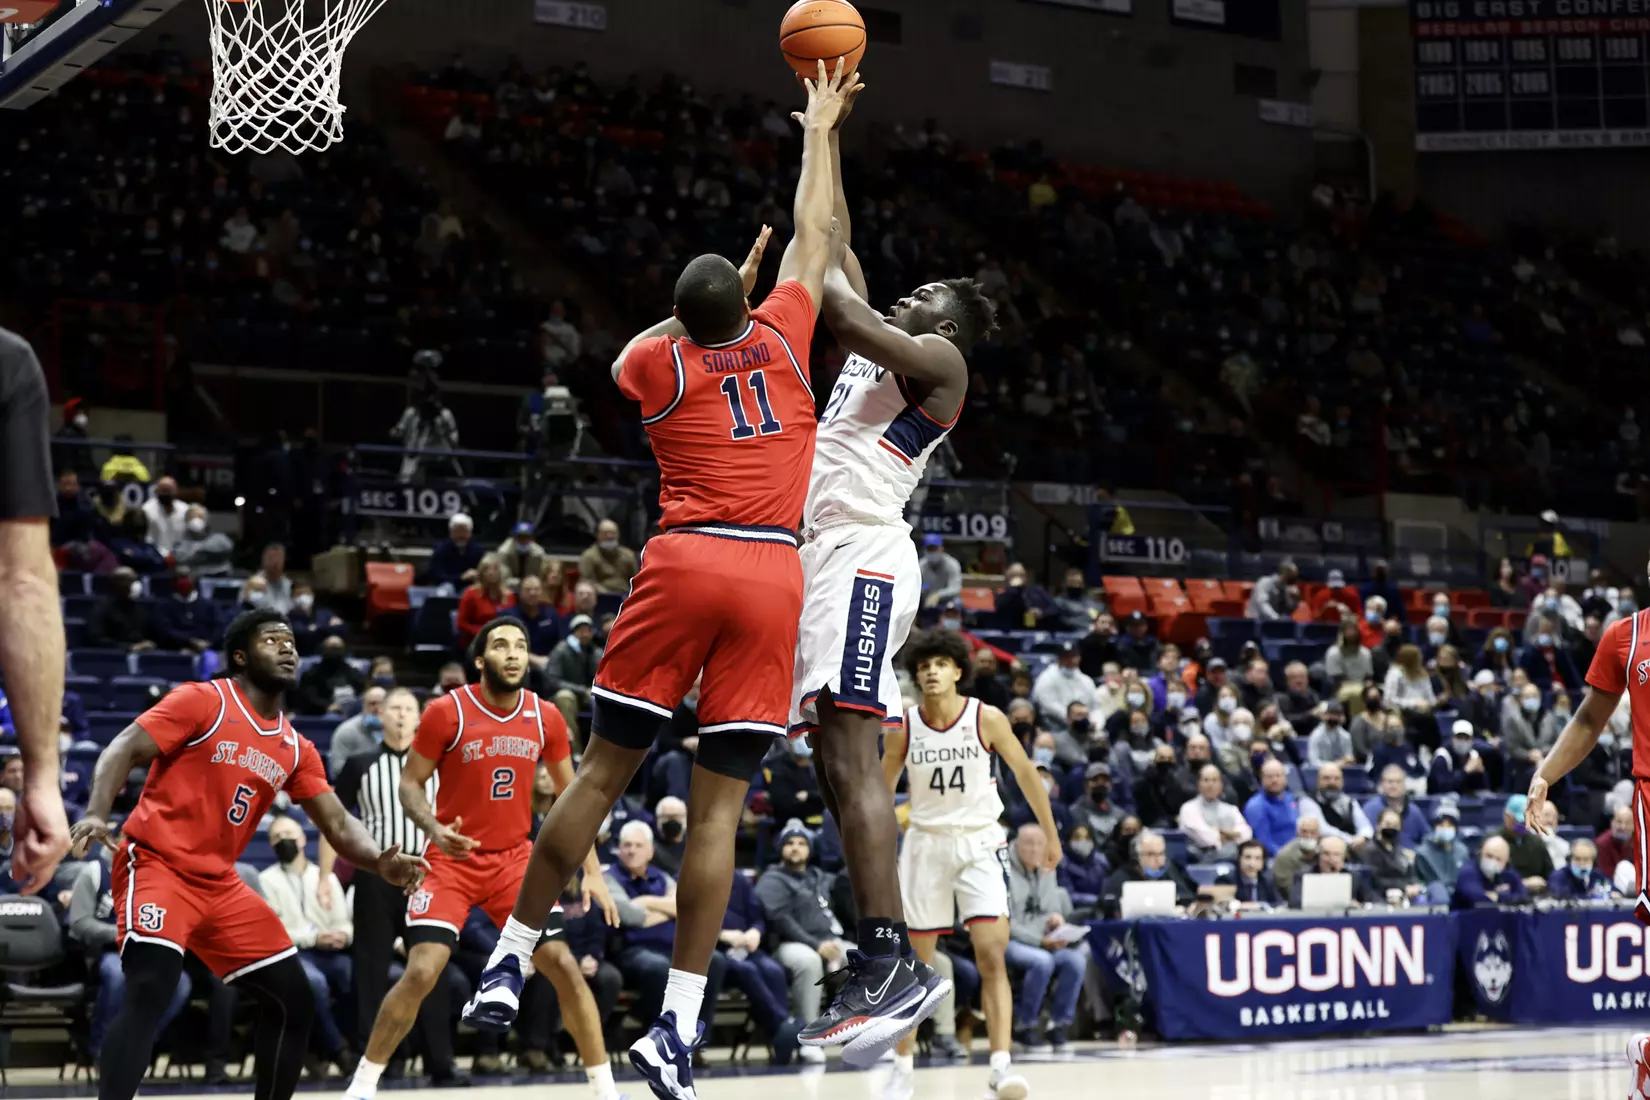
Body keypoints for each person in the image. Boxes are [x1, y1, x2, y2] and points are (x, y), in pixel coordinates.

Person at [462, 64, 860, 1100]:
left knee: (599, 774)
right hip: (773, 569)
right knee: (719, 812)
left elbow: (639, 346)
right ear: (748, 300)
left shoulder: (660, 365)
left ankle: (508, 957)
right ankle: (679, 1031)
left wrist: (700, 303)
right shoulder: (782, 332)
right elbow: (814, 228)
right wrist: (819, 127)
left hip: (685, 560)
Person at [780, 68, 1006, 1063]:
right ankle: (877, 952)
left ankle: (891, 958)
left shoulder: (943, 368)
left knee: (856, 743)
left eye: (928, 297)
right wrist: (822, 132)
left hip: (868, 554)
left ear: (949, 329)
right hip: (825, 556)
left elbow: (830, 292)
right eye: (910, 291)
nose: (911, 296)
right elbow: (836, 235)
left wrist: (810, 254)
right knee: (834, 756)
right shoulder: (895, 342)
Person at [65, 609, 427, 1100]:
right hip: (158, 865)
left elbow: (339, 823)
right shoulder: (203, 701)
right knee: (153, 987)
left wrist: (379, 860)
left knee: (296, 999)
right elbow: (123, 747)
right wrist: (94, 811)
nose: (288, 648)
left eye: (293, 642)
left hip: (220, 884)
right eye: (272, 639)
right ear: (239, 656)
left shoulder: (296, 748)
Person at [345, 618, 619, 1100]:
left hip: (515, 862)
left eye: (521, 645)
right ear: (479, 660)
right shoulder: (445, 712)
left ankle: (605, 1088)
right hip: (450, 860)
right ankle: (363, 1084)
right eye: (500, 645)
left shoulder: (545, 716)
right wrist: (432, 828)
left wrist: (593, 872)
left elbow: (573, 800)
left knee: (563, 965)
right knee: (423, 970)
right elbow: (410, 784)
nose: (513, 654)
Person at [881, 630, 1053, 1100]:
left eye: (940, 664)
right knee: (916, 962)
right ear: (916, 677)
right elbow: (878, 795)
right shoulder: (903, 726)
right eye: (923, 666)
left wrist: (1051, 835)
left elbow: (1025, 775)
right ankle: (901, 1067)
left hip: (980, 843)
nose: (931, 672)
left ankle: (1000, 1065)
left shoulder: (987, 717)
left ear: (958, 670)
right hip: (925, 844)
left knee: (991, 954)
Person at [323, 688, 442, 1053]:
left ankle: (441, 1059)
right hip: (376, 874)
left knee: (431, 966)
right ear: (381, 715)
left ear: (420, 716)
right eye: (395, 708)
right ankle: (368, 1055)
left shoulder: (440, 765)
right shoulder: (360, 764)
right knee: (370, 969)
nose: (402, 715)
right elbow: (333, 822)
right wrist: (324, 875)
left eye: (409, 708)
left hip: (427, 875)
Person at [68, 816, 195, 1062]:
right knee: (118, 977)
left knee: (181, 983)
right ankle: (100, 1049)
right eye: (130, 838)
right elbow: (80, 922)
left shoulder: (159, 876)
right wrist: (124, 934)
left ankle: (138, 1044)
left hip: (149, 954)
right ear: (114, 841)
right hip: (108, 953)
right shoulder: (94, 873)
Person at [602, 822, 736, 1051]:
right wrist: (665, 907)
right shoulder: (609, 878)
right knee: (659, 967)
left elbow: (685, 908)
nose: (631, 850)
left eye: (638, 845)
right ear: (619, 849)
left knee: (715, 960)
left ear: (650, 851)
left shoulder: (662, 877)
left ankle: (695, 1039)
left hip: (671, 947)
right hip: (631, 950)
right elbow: (629, 915)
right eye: (626, 845)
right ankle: (663, 1040)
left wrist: (647, 903)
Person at [259, 815, 354, 1073]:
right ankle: (338, 1050)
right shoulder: (266, 881)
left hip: (330, 952)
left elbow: (344, 922)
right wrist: (312, 937)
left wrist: (343, 936)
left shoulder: (325, 878)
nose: (283, 840)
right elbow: (273, 933)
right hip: (293, 954)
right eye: (276, 837)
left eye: (288, 834)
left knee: (354, 977)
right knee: (314, 984)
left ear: (303, 839)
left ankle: (325, 1047)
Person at [755, 822, 856, 1025]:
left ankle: (857, 1031)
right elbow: (781, 921)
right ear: (780, 848)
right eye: (789, 843)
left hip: (830, 940)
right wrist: (816, 944)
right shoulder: (771, 880)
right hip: (789, 944)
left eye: (802, 843)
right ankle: (809, 1031)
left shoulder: (820, 877)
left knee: (866, 960)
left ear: (810, 849)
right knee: (809, 962)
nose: (795, 847)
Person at [717, 857, 811, 1064]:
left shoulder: (738, 879)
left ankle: (781, 1036)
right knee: (747, 970)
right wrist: (721, 935)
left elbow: (757, 917)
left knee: (773, 970)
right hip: (716, 952)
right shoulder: (688, 877)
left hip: (746, 947)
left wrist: (755, 932)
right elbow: (686, 920)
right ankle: (783, 1025)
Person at [1004, 824, 1086, 1054]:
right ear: (1016, 845)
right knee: (1042, 962)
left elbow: (1049, 909)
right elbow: (1007, 923)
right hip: (1012, 940)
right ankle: (1025, 1025)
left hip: (1044, 940)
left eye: (1040, 844)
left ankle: (1058, 1024)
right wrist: (1040, 942)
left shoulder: (1048, 869)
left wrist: (1056, 922)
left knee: (1076, 961)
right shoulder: (1003, 872)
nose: (1034, 850)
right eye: (1029, 844)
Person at [1177, 764, 1251, 863]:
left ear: (1221, 785)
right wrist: (1231, 835)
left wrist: (1223, 834)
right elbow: (1206, 839)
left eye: (1214, 780)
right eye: (1206, 780)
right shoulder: (1188, 809)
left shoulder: (1231, 809)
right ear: (1199, 784)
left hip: (1232, 858)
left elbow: (1246, 833)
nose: (1210, 785)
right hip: (1201, 859)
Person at [545, 614, 601, 736]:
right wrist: (581, 690)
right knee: (565, 697)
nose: (585, 634)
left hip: (589, 695)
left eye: (588, 631)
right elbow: (552, 681)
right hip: (567, 694)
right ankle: (574, 752)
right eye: (581, 631)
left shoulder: (595, 652)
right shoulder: (560, 650)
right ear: (573, 632)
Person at [1298, 762, 1372, 849]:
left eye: (1337, 779)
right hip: (1321, 851)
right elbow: (1323, 829)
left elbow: (1365, 826)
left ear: (1342, 782)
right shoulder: (1307, 801)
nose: (1332, 782)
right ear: (1318, 781)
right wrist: (1350, 840)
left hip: (1351, 849)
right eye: (1326, 778)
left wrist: (1363, 837)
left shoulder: (1349, 801)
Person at [1289, 835, 1375, 907]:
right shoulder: (1304, 876)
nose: (1331, 859)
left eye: (1336, 854)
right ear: (1319, 856)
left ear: (1344, 858)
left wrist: (1359, 905)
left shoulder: (1355, 877)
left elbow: (1372, 901)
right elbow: (1294, 902)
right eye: (1326, 854)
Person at [152, 569, 222, 654]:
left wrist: (208, 643)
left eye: (186, 577)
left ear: (194, 578)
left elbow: (219, 627)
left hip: (207, 648)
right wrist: (189, 641)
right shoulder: (163, 606)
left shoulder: (210, 605)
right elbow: (164, 630)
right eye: (180, 577)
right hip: (174, 651)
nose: (183, 581)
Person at [1032, 643, 1098, 733]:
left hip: (1083, 724)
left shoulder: (1086, 681)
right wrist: (1074, 716)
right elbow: (1049, 706)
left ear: (1079, 658)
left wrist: (1095, 722)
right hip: (1055, 726)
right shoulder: (1046, 678)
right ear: (1059, 658)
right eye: (1066, 657)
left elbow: (1096, 707)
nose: (1070, 660)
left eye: (1073, 656)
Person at [1452, 835, 1530, 909]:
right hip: (1466, 920)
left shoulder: (1509, 873)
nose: (1492, 862)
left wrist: (1498, 897)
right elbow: (1479, 900)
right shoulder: (1468, 872)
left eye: (1498, 859)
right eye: (1489, 856)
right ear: (1481, 853)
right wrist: (1508, 899)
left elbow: (1523, 897)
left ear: (1505, 862)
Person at [1363, 765, 1431, 849]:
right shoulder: (1370, 809)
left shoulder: (1414, 811)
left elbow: (1428, 838)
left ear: (1404, 785)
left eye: (1398, 782)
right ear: (1382, 784)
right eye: (1390, 781)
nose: (1394, 786)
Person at [456, 556, 516, 653]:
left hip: (503, 641)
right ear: (481, 573)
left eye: (495, 569)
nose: (491, 572)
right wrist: (484, 632)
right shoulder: (471, 594)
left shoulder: (509, 596)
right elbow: (461, 624)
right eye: (486, 569)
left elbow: (513, 621)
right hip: (476, 641)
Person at [296, 635, 366, 716]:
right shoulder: (312, 674)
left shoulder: (353, 673)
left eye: (337, 649)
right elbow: (306, 697)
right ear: (323, 650)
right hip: (319, 714)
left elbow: (361, 694)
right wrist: (327, 706)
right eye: (331, 648)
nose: (334, 653)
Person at [1498, 793, 1553, 895]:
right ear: (1507, 817)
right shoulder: (1494, 842)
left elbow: (1550, 874)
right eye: (1521, 821)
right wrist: (1524, 884)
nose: (1525, 824)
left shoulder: (1536, 841)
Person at [765, 732, 824, 826]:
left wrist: (809, 795)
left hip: (819, 822)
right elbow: (783, 802)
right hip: (788, 823)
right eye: (799, 736)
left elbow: (825, 795)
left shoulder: (816, 766)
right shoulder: (779, 768)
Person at [1363, 807, 1423, 901]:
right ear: (1378, 825)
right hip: (1380, 896)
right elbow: (1377, 881)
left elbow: (1411, 874)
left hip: (1405, 895)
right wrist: (1404, 886)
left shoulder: (1400, 850)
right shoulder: (1370, 850)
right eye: (1387, 824)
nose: (1391, 828)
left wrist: (1414, 885)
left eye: (1395, 825)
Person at [88, 568, 153, 652]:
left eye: (135, 580)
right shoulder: (101, 608)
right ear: (118, 583)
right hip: (112, 657)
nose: (136, 585)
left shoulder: (139, 609)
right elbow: (95, 638)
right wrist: (128, 647)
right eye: (130, 581)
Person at [1415, 800, 1468, 902]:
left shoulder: (1462, 851)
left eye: (1449, 826)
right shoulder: (1422, 853)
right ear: (1434, 826)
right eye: (1441, 825)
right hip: (1433, 896)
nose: (1445, 829)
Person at [1243, 759, 1299, 856]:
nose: (1274, 780)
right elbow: (1263, 843)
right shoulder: (1255, 806)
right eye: (1270, 777)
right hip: (1274, 859)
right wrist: (1286, 858)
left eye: (1278, 776)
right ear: (1262, 779)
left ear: (1285, 778)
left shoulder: (1291, 799)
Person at [577, 519, 639, 595]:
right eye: (605, 533)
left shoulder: (629, 555)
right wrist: (606, 592)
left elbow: (636, 580)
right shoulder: (589, 556)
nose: (609, 536)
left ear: (618, 534)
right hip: (600, 596)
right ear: (598, 535)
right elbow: (587, 581)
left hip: (625, 595)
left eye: (613, 533)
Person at [1547, 837, 1621, 901]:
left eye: (1586, 859)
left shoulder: (1597, 875)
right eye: (1577, 859)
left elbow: (1615, 891)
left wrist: (1614, 895)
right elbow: (1561, 895)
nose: (1582, 864)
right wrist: (1594, 896)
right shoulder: (1559, 876)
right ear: (1570, 859)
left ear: (1593, 861)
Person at [1269, 816, 1321, 902]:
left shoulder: (1325, 851)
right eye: (1304, 831)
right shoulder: (1284, 856)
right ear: (1297, 832)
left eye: (1313, 832)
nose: (1308, 836)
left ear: (1319, 834)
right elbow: (1288, 891)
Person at [427, 513, 484, 589]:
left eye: (464, 532)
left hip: (470, 587)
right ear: (451, 533)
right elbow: (437, 576)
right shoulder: (441, 550)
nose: (460, 535)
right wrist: (461, 577)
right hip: (448, 586)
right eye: (457, 531)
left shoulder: (477, 550)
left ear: (470, 533)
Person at [1218, 839, 1281, 907]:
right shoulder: (1226, 880)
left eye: (1258, 858)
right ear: (1239, 859)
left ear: (1263, 862)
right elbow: (1222, 905)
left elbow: (1279, 904)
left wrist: (1259, 905)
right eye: (1247, 857)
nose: (1252, 864)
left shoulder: (1267, 880)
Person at [496, 521, 550, 586]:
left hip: (531, 584)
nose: (523, 540)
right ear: (514, 538)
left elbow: (541, 574)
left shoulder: (539, 553)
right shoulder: (504, 551)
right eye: (520, 537)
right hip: (508, 584)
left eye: (526, 537)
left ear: (532, 538)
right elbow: (502, 574)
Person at [918, 533, 963, 609]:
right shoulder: (921, 565)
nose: (932, 552)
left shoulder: (951, 564)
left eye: (934, 549)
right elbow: (914, 587)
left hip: (946, 600)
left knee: (957, 602)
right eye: (929, 549)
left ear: (941, 548)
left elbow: (955, 588)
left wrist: (938, 595)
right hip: (926, 600)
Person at [1598, 805, 1637, 883]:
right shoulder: (1602, 843)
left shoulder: (1641, 843)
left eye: (1628, 823)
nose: (1623, 827)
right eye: (1619, 822)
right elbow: (1605, 875)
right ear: (1612, 823)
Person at [651, 796, 689, 876]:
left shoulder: (695, 845)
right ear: (658, 819)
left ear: (685, 818)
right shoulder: (650, 846)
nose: (672, 821)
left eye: (676, 816)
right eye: (667, 817)